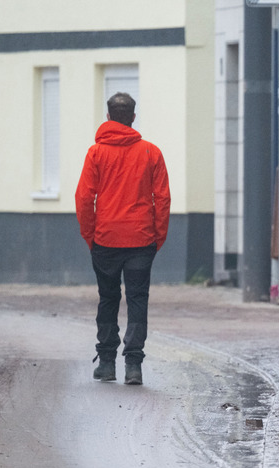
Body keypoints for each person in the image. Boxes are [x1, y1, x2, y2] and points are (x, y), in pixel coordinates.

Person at [75, 92, 171, 385]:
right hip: (142, 240)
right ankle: (133, 366)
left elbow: (83, 198)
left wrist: (90, 236)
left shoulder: (95, 153)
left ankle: (106, 363)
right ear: (132, 118)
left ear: (108, 118)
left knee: (108, 298)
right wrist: (158, 238)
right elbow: (163, 199)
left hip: (105, 239)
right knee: (138, 299)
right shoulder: (150, 152)